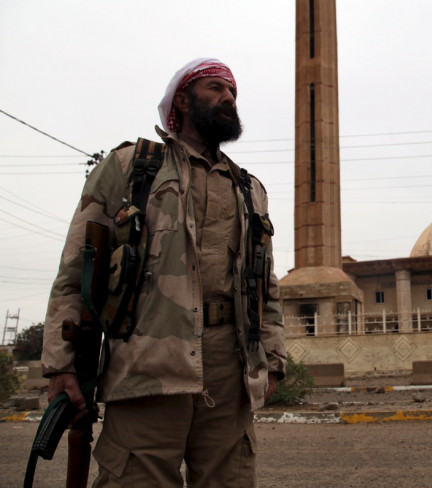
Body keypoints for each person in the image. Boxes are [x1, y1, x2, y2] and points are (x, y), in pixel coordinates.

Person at [41, 58, 287, 487]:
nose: (228, 98)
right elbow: (76, 268)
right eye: (215, 88)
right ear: (183, 100)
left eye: (232, 92)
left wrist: (276, 360)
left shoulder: (250, 189)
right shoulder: (132, 166)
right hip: (147, 365)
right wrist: (60, 365)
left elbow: (265, 284)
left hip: (230, 372)